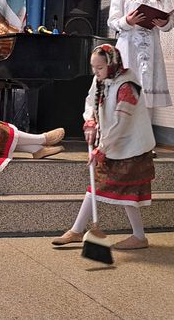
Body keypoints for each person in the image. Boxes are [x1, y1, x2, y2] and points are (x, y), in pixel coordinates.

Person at [52, 44, 156, 250]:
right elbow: (90, 101)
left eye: (99, 67)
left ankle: (139, 237)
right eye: (93, 67)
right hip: (111, 144)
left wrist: (102, 148)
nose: (96, 72)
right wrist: (90, 122)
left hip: (130, 148)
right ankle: (76, 230)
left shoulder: (128, 86)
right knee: (96, 185)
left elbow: (121, 123)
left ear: (112, 63)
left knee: (128, 193)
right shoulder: (100, 79)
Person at [108, 0, 173, 109]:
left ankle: (144, 126)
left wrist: (164, 23)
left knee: (146, 101)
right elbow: (112, 21)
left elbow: (170, 21)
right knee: (125, 98)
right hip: (128, 47)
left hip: (151, 47)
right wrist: (127, 21)